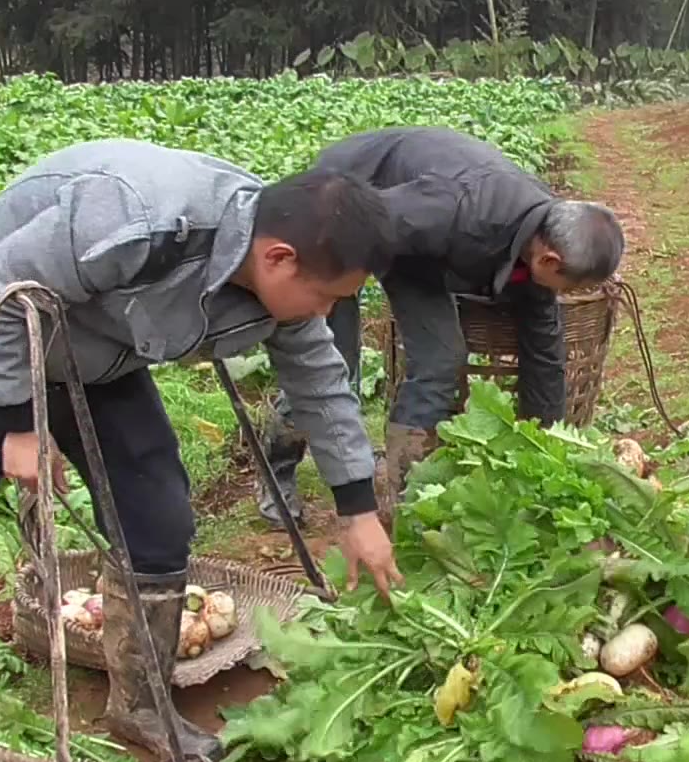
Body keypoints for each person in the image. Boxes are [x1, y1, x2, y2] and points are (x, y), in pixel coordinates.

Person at [0, 139, 404, 762]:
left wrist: (356, 507)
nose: (330, 313)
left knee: (158, 518)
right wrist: (20, 426)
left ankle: (141, 706)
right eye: (331, 297)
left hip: (99, 352)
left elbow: (317, 377)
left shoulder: (282, 265)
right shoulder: (138, 220)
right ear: (278, 259)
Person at [255, 125, 626, 526]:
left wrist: (545, 450)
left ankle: (403, 492)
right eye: (573, 285)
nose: (566, 294)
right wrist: (332, 292)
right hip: (346, 212)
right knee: (331, 358)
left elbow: (544, 354)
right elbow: (369, 225)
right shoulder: (462, 210)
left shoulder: (535, 238)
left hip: (419, 243)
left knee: (441, 356)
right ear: (550, 262)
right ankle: (276, 472)